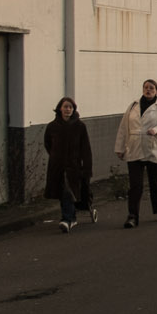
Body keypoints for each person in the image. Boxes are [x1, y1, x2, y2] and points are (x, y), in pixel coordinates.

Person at [115, 78, 157, 228]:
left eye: (151, 88)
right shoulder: (133, 106)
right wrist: (120, 148)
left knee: (156, 183)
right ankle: (132, 216)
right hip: (134, 148)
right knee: (135, 185)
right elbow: (124, 127)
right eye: (146, 87)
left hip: (154, 147)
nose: (148, 90)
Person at [43, 96, 95, 232]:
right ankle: (70, 217)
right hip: (57, 165)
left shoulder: (79, 126)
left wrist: (87, 168)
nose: (68, 109)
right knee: (63, 191)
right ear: (60, 108)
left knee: (69, 190)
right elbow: (48, 144)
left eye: (70, 107)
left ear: (74, 110)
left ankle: (67, 219)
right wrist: (55, 155)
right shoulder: (52, 126)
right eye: (65, 107)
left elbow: (86, 148)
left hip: (74, 165)